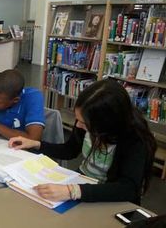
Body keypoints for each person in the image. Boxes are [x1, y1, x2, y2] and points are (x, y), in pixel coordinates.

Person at [9, 79, 157, 204]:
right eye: (77, 120)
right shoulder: (86, 120)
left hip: (108, 196)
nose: (78, 126)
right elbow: (70, 150)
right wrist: (36, 144)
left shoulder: (135, 139)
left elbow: (128, 189)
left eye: (84, 123)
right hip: (81, 180)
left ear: (107, 122)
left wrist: (72, 191)